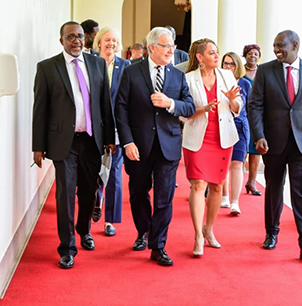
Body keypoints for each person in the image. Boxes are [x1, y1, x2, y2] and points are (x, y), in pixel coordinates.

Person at [32, 21, 115, 269]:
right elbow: (40, 110)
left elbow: (105, 105)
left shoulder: (98, 64)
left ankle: (84, 229)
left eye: (80, 36)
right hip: (63, 142)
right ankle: (67, 247)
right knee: (66, 195)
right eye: (70, 37)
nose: (76, 40)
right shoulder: (48, 68)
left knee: (89, 191)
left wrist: (109, 138)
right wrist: (38, 145)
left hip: (92, 140)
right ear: (62, 41)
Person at [114, 27, 195, 266]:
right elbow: (121, 109)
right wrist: (127, 141)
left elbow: (189, 108)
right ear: (151, 48)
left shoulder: (178, 75)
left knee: (164, 198)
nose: (171, 50)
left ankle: (158, 245)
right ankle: (143, 231)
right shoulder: (131, 72)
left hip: (168, 146)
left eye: (173, 46)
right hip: (138, 146)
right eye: (166, 46)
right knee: (138, 192)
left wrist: (170, 103)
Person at [248, 30, 302, 262]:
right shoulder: (265, 70)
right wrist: (258, 135)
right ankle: (271, 232)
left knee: (301, 192)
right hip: (273, 141)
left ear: (295, 45)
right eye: (274, 46)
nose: (276, 50)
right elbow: (255, 106)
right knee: (274, 187)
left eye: (280, 45)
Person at [182, 39, 243, 257]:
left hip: (222, 138)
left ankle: (209, 229)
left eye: (217, 52)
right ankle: (198, 234)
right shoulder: (188, 79)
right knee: (198, 184)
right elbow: (182, 112)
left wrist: (233, 100)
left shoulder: (227, 76)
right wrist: (201, 109)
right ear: (199, 57)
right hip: (197, 137)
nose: (217, 56)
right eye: (212, 53)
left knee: (217, 186)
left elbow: (237, 108)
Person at [91, 28, 130, 236]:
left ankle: (110, 220)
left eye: (115, 40)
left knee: (115, 172)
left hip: (116, 127)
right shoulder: (90, 64)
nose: (111, 44)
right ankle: (97, 196)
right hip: (94, 128)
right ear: (99, 43)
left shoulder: (126, 66)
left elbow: (127, 99)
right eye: (107, 40)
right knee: (93, 169)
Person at [220, 52, 252, 216]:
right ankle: (224, 196)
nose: (228, 67)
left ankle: (235, 202)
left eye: (231, 64)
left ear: (237, 66)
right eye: (225, 63)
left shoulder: (245, 84)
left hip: (240, 125)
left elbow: (248, 107)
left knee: (237, 163)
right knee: (224, 163)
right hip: (222, 124)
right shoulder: (218, 81)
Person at [242, 44, 263, 195]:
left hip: (258, 117)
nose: (253, 56)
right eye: (250, 53)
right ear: (245, 55)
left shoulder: (263, 72)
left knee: (256, 150)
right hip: (242, 114)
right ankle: (238, 178)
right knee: (241, 150)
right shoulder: (240, 71)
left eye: (256, 54)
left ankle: (252, 182)